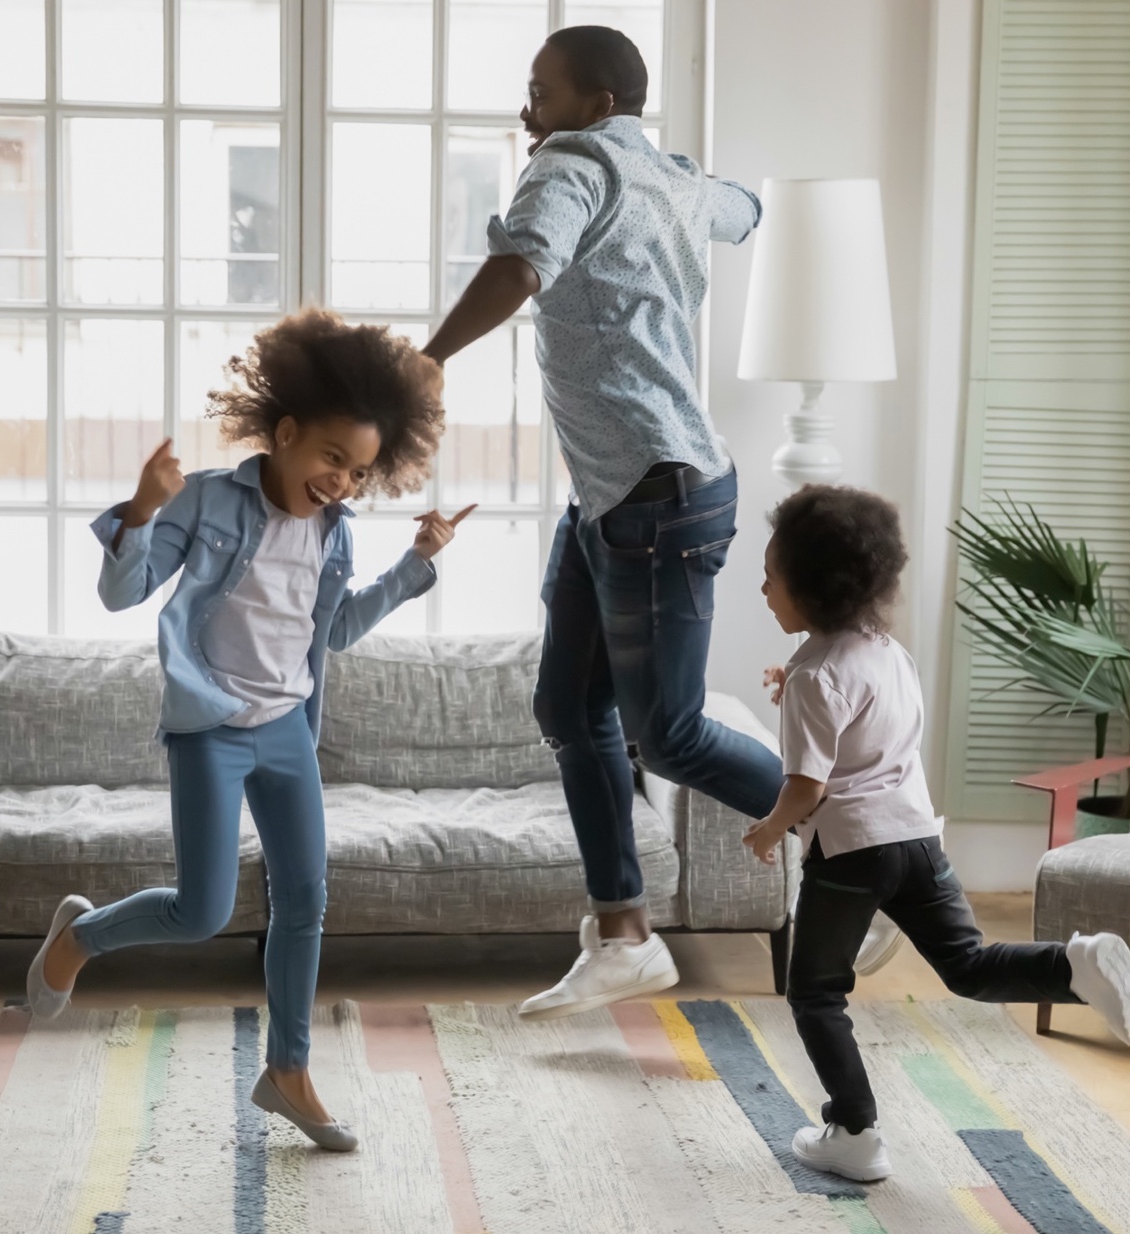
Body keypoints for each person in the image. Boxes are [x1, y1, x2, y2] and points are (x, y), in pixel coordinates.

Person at [27, 310, 471, 1152]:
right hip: (211, 729)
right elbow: (123, 596)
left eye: (358, 471)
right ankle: (79, 938)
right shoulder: (206, 500)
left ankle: (289, 1070)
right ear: (287, 431)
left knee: (305, 901)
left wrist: (417, 565)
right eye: (330, 458)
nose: (341, 481)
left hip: (287, 731)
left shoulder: (334, 535)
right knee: (202, 912)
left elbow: (332, 631)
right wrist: (144, 513)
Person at [421, 25, 783, 1021]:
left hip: (656, 495)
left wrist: (430, 356)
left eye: (539, 91)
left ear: (592, 103)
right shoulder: (663, 174)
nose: (525, 112)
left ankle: (855, 836)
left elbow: (521, 262)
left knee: (661, 734)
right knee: (566, 709)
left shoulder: (569, 165)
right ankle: (623, 932)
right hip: (621, 494)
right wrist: (706, 190)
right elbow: (744, 211)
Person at [746, 483, 1130, 1182]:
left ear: (812, 588)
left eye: (771, 574)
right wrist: (793, 677)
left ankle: (854, 1133)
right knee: (967, 965)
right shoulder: (882, 651)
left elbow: (808, 786)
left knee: (813, 992)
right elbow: (859, 716)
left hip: (850, 853)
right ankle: (1073, 965)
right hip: (917, 840)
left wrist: (771, 829)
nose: (761, 585)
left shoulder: (812, 678)